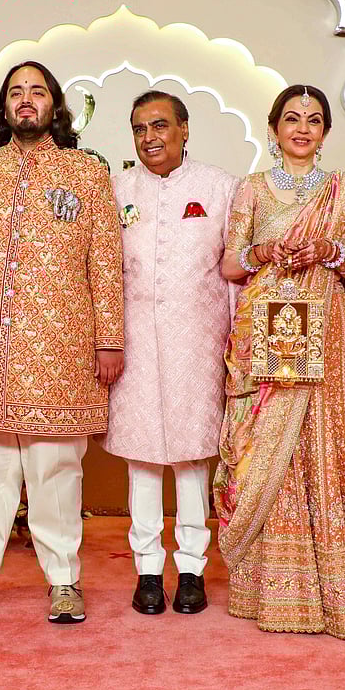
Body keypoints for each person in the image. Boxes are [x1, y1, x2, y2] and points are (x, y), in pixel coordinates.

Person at [0, 60, 124, 625]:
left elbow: (105, 261)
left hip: (60, 347)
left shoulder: (86, 174)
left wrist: (109, 337)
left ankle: (63, 581)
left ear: (54, 104)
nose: (27, 100)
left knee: (56, 469)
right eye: (16, 92)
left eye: (37, 91)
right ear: (4, 107)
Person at [212, 84, 345, 637]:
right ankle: (268, 587)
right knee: (265, 453)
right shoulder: (253, 188)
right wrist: (263, 252)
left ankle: (326, 587)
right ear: (274, 128)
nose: (302, 128)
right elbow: (231, 265)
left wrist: (328, 252)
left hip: (323, 333)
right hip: (267, 330)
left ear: (325, 132)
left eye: (313, 120)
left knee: (320, 448)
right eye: (292, 119)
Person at [103, 91, 239, 615]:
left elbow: (234, 275)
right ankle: (147, 572)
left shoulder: (220, 188)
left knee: (190, 458)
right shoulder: (117, 191)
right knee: (141, 459)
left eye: (160, 126)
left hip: (199, 343)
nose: (150, 138)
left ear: (184, 128)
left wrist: (234, 346)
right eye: (139, 128)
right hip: (133, 343)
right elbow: (104, 273)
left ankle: (191, 571)